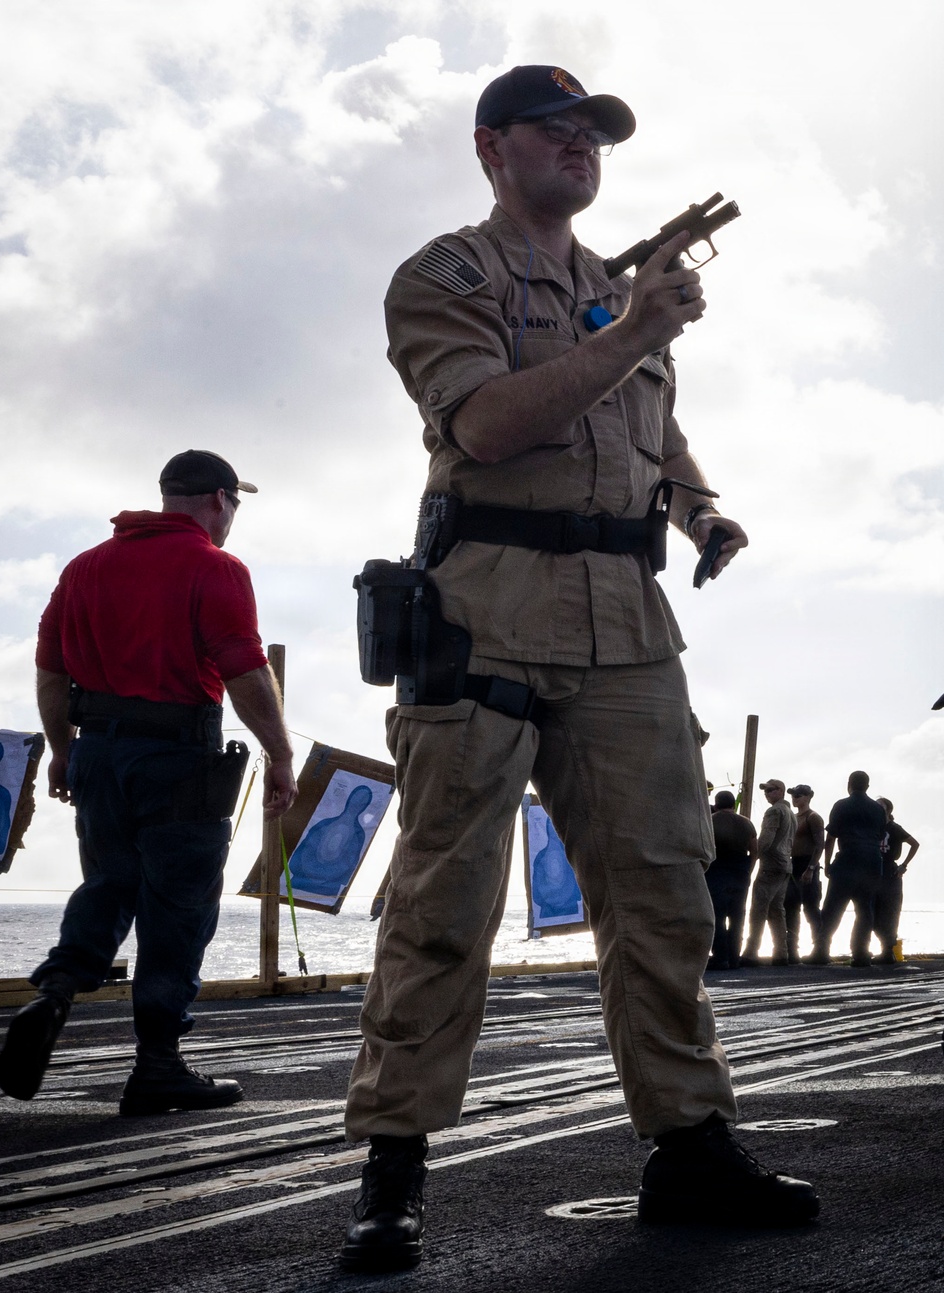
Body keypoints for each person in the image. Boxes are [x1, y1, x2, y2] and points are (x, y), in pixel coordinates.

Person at [341, 64, 817, 1273]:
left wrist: (703, 513)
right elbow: (487, 426)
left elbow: (660, 436)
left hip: (626, 621)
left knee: (664, 895)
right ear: (491, 148)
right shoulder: (448, 277)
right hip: (486, 613)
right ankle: (393, 1166)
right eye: (554, 132)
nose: (580, 147)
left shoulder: (617, 289)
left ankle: (690, 1145)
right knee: (445, 903)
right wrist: (637, 332)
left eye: (593, 135)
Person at [0, 450, 298, 1115]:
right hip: (178, 759)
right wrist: (279, 755)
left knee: (108, 883)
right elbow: (245, 673)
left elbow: (50, 671)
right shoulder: (215, 568)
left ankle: (56, 991)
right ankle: (158, 1064)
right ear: (219, 500)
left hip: (98, 753)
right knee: (179, 907)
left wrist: (62, 750)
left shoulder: (84, 567)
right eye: (235, 504)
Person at [806, 771, 887, 968]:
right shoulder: (878, 809)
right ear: (867, 786)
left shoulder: (841, 805)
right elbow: (880, 835)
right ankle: (860, 953)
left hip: (848, 859)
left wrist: (826, 863)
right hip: (872, 861)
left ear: (849, 784)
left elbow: (831, 837)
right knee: (865, 909)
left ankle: (821, 951)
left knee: (833, 908)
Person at [740, 779, 795, 966]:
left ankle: (750, 952)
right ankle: (781, 953)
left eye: (771, 790)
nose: (767, 794)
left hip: (771, 865)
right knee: (776, 911)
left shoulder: (774, 811)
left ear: (781, 791)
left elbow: (766, 839)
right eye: (765, 791)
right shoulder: (790, 812)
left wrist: (753, 858)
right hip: (785, 865)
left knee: (758, 909)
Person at [706, 791, 758, 971]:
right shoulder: (747, 823)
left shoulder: (710, 821)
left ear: (717, 804)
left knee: (717, 916)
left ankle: (720, 957)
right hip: (740, 872)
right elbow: (754, 851)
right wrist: (748, 872)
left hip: (717, 871)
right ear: (732, 804)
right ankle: (734, 957)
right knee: (737, 916)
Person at [872, 797, 919, 964]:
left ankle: (888, 951)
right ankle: (883, 948)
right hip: (873, 871)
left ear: (887, 810)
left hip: (890, 872)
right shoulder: (872, 827)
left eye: (880, 807)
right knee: (872, 911)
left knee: (890, 912)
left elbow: (914, 843)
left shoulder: (894, 828)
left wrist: (903, 865)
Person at [784, 784, 824, 963]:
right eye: (793, 795)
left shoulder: (813, 817)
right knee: (790, 907)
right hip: (792, 865)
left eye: (799, 795)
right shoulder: (793, 817)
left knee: (811, 909)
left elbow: (820, 844)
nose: (795, 798)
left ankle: (820, 949)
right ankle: (792, 950)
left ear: (809, 796)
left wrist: (811, 868)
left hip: (807, 864)